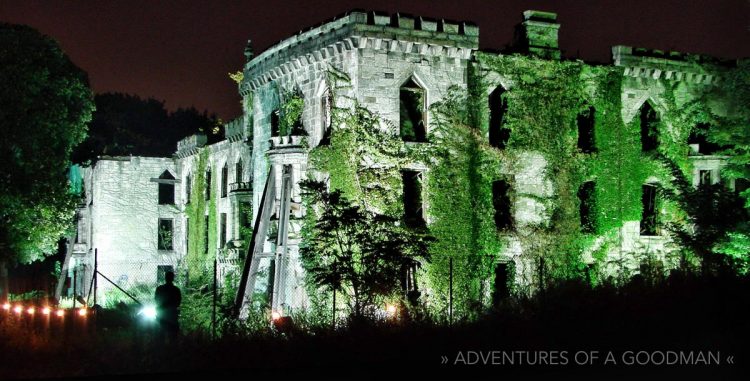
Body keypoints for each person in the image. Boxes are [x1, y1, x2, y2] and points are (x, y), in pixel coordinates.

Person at [154, 270, 181, 340]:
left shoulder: (159, 289)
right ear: (173, 278)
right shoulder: (176, 290)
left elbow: (156, 300)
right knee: (173, 336)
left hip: (161, 315)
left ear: (165, 278)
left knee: (161, 335)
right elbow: (178, 303)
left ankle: (161, 348)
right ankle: (173, 349)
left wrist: (161, 307)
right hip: (172, 315)